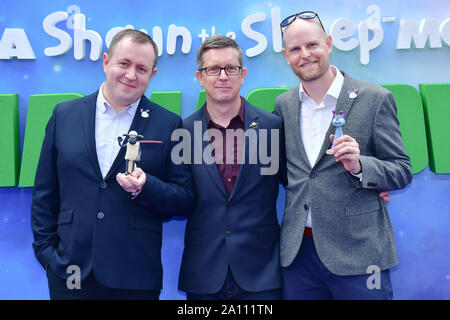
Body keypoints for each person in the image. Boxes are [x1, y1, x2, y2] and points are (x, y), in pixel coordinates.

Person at [31, 29, 195, 300]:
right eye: (124, 63)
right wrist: (47, 255)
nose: (131, 75)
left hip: (135, 276)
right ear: (106, 62)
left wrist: (146, 187)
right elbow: (44, 193)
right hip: (69, 272)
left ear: (152, 75)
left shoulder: (169, 124)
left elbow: (185, 198)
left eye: (141, 68)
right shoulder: (64, 115)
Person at [275, 12, 412, 299]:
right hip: (299, 256)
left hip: (360, 255)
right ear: (286, 55)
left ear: (328, 43)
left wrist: (361, 166)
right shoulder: (284, 105)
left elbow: (401, 170)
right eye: (296, 49)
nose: (305, 55)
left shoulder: (375, 98)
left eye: (312, 45)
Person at [178, 35, 283, 300]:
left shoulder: (273, 126)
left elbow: (301, 180)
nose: (222, 76)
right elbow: (175, 192)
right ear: (200, 77)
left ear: (243, 74)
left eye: (230, 68)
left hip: (261, 272)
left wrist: (359, 183)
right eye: (213, 69)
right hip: (203, 273)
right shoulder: (183, 131)